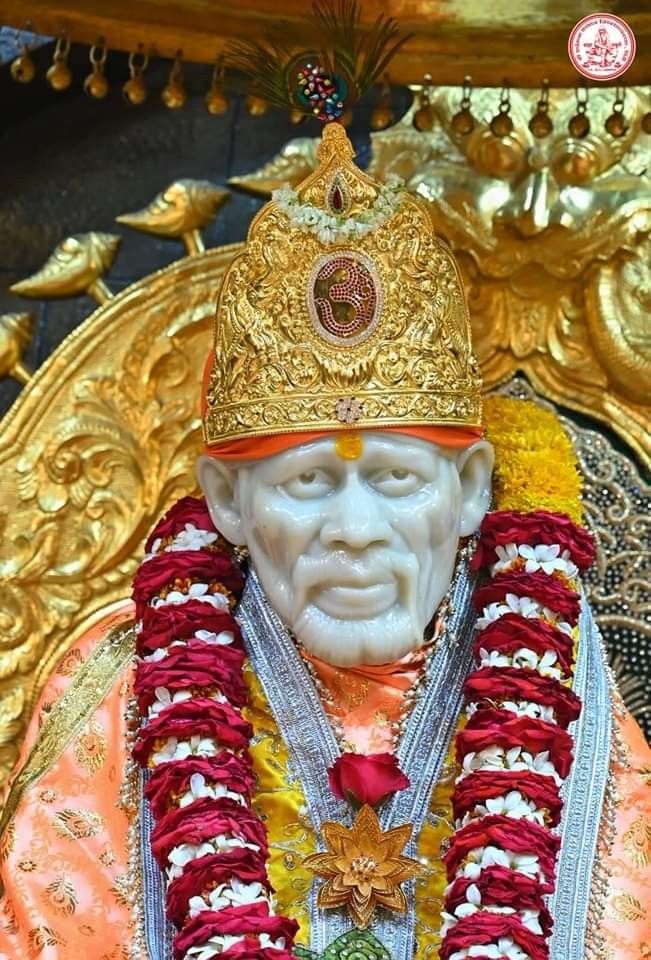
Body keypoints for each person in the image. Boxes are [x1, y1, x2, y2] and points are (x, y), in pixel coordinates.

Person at [0, 122, 648, 960]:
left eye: (395, 479)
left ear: (471, 491)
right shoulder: (117, 693)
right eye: (307, 483)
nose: (353, 531)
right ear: (227, 499)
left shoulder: (556, 681)